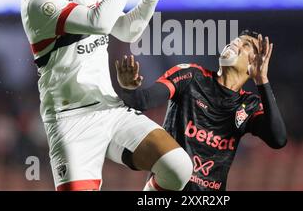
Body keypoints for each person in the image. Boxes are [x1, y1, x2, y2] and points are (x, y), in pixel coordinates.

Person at [3, 0, 193, 191]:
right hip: (70, 119)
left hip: (109, 106)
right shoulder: (37, 1)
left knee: (177, 167)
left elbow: (126, 30)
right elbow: (99, 22)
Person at [115, 30, 287, 191]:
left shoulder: (248, 104)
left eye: (246, 45)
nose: (235, 44)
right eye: (235, 41)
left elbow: (278, 139)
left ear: (255, 63)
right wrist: (128, 88)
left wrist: (262, 80)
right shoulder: (190, 76)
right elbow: (142, 101)